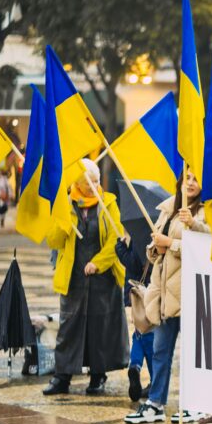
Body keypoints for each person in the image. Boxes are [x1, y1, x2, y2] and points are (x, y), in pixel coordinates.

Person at [124, 172, 209, 424]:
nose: (190, 183)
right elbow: (156, 251)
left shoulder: (206, 210)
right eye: (187, 177)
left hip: (190, 292)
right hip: (164, 295)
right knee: (160, 350)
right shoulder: (169, 208)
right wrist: (156, 248)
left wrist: (175, 240)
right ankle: (155, 403)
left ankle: (196, 404)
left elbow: (206, 247)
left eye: (196, 178)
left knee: (193, 354)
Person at [43, 159, 129, 396]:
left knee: (100, 329)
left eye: (97, 180)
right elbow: (53, 241)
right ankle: (62, 377)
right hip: (74, 279)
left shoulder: (108, 203)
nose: (94, 186)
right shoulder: (66, 204)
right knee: (69, 327)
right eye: (89, 182)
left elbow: (115, 239)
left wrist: (98, 263)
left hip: (103, 279)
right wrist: (63, 224)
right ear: (78, 183)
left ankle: (98, 376)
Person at [115, 233, 154, 402]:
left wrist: (120, 247)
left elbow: (133, 262)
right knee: (146, 334)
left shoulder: (143, 235)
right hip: (147, 292)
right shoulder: (150, 232)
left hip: (141, 293)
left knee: (143, 335)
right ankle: (152, 379)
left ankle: (136, 366)